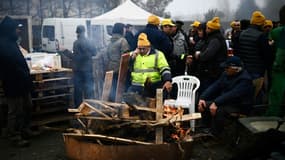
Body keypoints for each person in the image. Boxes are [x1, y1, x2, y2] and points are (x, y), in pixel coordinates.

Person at [0, 16, 34, 147]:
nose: (18, 31)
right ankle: (14, 135)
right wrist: (20, 72)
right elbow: (8, 64)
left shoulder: (11, 42)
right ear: (9, 30)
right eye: (16, 29)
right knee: (15, 111)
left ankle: (25, 129)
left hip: (22, 81)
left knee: (28, 106)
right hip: (12, 82)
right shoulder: (2, 44)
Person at [197, 56, 253, 135]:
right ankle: (205, 128)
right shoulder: (226, 74)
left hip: (239, 105)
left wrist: (216, 102)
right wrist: (202, 98)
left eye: (227, 68)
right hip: (225, 101)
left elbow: (232, 94)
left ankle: (215, 134)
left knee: (219, 110)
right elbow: (215, 86)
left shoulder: (245, 79)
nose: (225, 69)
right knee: (204, 104)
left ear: (235, 69)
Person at [127, 33, 172, 98]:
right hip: (136, 86)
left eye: (144, 48)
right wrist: (131, 58)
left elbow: (164, 68)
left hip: (153, 86)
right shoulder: (134, 54)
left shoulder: (158, 54)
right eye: (140, 48)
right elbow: (124, 66)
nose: (141, 51)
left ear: (149, 47)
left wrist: (167, 80)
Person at [193, 17, 227, 94]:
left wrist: (199, 55)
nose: (205, 30)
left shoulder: (215, 39)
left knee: (208, 93)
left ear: (210, 29)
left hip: (213, 71)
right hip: (212, 70)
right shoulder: (213, 38)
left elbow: (207, 55)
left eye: (207, 28)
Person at [266, 5, 285, 117]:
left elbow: (278, 54)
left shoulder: (277, 33)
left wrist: (276, 65)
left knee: (277, 96)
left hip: (280, 70)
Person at [72, 25, 97, 107]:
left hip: (78, 70)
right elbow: (95, 53)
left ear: (77, 33)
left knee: (78, 91)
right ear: (84, 32)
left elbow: (76, 57)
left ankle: (78, 107)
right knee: (89, 89)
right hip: (88, 69)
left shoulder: (76, 43)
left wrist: (65, 52)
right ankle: (89, 107)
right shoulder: (90, 41)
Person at [106, 23, 130, 101]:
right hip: (120, 70)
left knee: (112, 89)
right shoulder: (123, 41)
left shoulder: (110, 42)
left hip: (110, 69)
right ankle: (118, 106)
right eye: (124, 28)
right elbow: (125, 57)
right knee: (120, 91)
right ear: (121, 30)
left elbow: (107, 56)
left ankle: (111, 106)